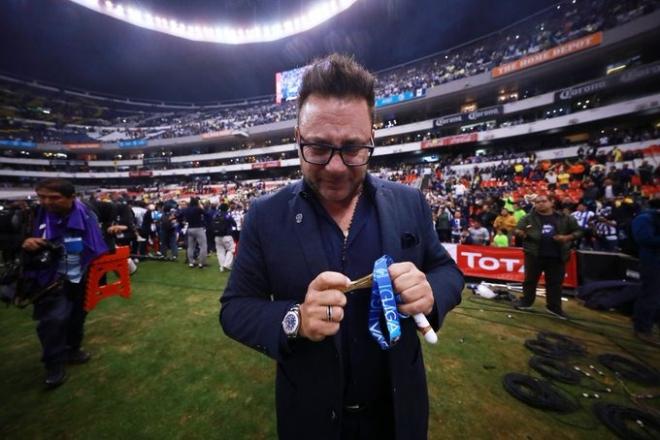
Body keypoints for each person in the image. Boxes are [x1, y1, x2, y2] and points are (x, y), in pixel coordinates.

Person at [219, 54, 464, 440]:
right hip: (310, 420)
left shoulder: (409, 202)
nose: (335, 167)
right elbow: (234, 309)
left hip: (399, 416)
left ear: (372, 139)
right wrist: (295, 318)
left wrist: (432, 293)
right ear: (297, 139)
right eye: (317, 147)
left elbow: (447, 272)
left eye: (352, 148)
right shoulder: (265, 217)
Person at [22, 178, 108, 388]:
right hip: (48, 276)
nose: (47, 202)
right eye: (42, 196)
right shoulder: (33, 214)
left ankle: (72, 349)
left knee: (78, 315)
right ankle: (54, 364)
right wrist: (24, 242)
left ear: (72, 198)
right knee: (53, 319)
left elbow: (95, 244)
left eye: (54, 198)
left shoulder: (86, 214)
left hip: (79, 271)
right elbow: (11, 237)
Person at [513, 194, 581, 319]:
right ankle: (526, 302)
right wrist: (522, 233)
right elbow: (517, 229)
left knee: (555, 283)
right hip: (534, 254)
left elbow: (578, 231)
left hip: (557, 256)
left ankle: (554, 307)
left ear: (552, 202)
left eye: (543, 201)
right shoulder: (528, 218)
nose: (539, 204)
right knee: (530, 280)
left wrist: (566, 237)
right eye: (537, 202)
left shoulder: (565, 218)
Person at [631, 194, 660, 347]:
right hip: (652, 261)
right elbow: (644, 239)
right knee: (650, 295)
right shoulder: (645, 218)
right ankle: (642, 328)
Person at [181, 197, 208, 268]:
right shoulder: (198, 208)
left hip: (190, 228)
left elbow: (180, 216)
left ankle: (191, 262)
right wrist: (201, 207)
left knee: (190, 247)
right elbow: (206, 214)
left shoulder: (186, 209)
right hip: (198, 228)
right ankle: (201, 263)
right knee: (203, 246)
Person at [211, 203, 237, 272]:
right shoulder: (227, 215)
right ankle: (226, 265)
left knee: (220, 252)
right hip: (227, 235)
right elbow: (234, 223)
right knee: (231, 249)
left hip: (217, 236)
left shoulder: (215, 215)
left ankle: (222, 267)